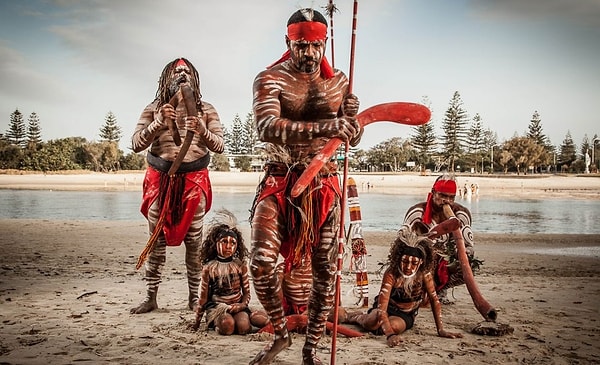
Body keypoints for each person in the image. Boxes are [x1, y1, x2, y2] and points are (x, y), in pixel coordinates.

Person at [248, 8, 363, 365]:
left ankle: (312, 346)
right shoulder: (269, 78)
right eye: (302, 46)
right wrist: (326, 128)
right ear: (289, 42)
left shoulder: (340, 82)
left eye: (316, 45)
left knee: (326, 270)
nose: (310, 53)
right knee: (261, 263)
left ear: (324, 43)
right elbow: (266, 126)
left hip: (324, 184)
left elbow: (352, 138)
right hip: (280, 180)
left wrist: (353, 122)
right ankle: (281, 334)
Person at [130, 57, 224, 314]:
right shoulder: (153, 108)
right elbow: (136, 142)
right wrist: (158, 122)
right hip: (160, 182)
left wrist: (203, 130)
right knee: (156, 243)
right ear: (165, 79)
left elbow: (220, 145)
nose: (182, 75)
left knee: (195, 244)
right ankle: (151, 297)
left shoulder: (207, 110)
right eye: (176, 72)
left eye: (186, 72)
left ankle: (195, 299)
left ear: (194, 78)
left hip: (193, 182)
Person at [343, 227, 463, 346]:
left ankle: (377, 325)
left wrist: (441, 329)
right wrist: (390, 335)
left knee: (392, 326)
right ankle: (355, 317)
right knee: (371, 322)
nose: (408, 267)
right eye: (405, 261)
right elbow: (382, 310)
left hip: (405, 314)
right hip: (385, 308)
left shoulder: (424, 274)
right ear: (399, 259)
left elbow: (434, 299)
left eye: (414, 263)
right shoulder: (391, 273)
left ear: (421, 262)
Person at [402, 174, 482, 304]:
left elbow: (468, 246)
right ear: (433, 193)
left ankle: (440, 290)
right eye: (443, 196)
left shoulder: (461, 214)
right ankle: (417, 289)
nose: (447, 201)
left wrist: (463, 254)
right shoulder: (417, 212)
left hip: (446, 263)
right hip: (421, 262)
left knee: (470, 264)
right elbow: (403, 244)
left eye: (451, 197)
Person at [190, 210, 268, 335]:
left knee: (243, 327)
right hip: (218, 308)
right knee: (227, 326)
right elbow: (203, 298)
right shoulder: (209, 268)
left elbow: (247, 293)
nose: (228, 246)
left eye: (233, 243)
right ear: (215, 244)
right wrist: (197, 322)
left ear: (237, 246)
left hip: (237, 306)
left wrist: (241, 305)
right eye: (224, 242)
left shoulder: (239, 265)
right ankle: (217, 324)